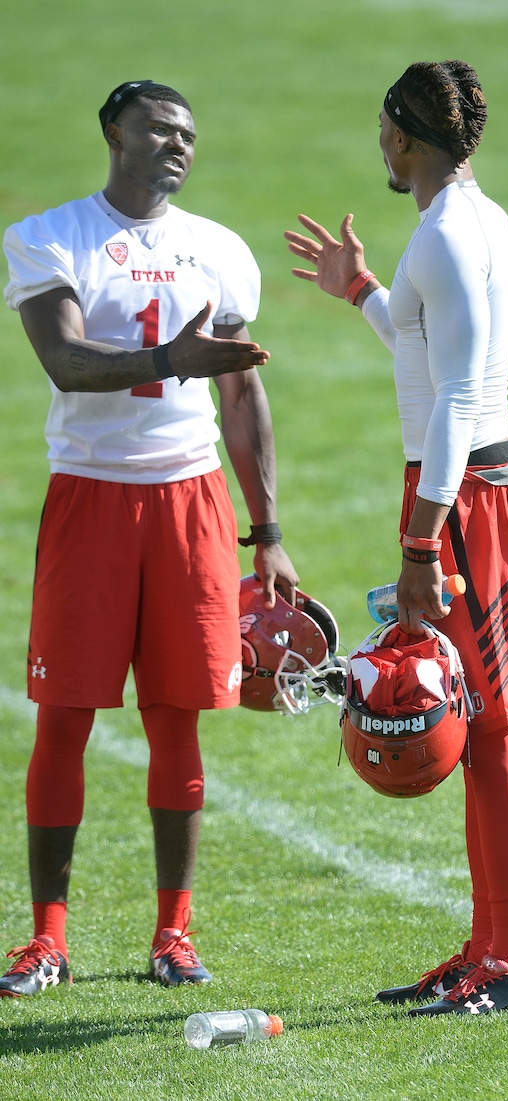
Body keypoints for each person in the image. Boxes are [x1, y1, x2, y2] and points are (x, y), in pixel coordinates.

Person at [0, 80, 298, 997]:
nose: (178, 144)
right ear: (112, 131)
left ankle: (174, 933)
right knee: (65, 720)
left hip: (190, 502)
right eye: (161, 128)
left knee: (178, 719)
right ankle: (47, 938)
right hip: (91, 498)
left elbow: (242, 394)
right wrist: (172, 361)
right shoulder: (50, 235)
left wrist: (269, 530)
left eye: (190, 135)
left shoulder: (218, 250)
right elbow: (64, 359)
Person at [285, 59, 508, 1016]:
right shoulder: (478, 225)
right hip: (466, 484)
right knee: (481, 729)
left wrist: (419, 547)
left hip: (464, 493)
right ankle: (491, 946)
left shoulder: (446, 237)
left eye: (381, 130)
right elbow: (427, 352)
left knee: (490, 727)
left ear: (401, 137)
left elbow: (454, 394)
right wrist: (360, 288)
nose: (379, 145)